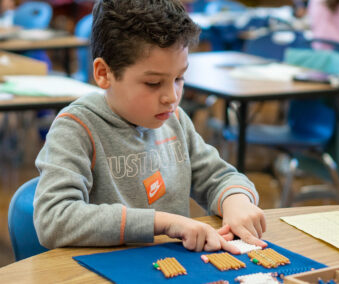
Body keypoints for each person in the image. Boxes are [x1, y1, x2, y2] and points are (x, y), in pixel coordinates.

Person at [33, 0, 266, 254]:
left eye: (179, 78)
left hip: (171, 267)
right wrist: (162, 223)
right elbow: (53, 219)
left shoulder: (174, 119)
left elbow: (219, 177)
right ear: (104, 73)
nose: (172, 96)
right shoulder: (76, 128)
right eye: (153, 83)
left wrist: (235, 200)